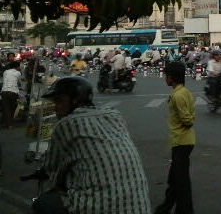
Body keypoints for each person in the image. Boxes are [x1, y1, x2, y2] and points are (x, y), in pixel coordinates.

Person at [34, 77, 151, 213]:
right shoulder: (114, 115)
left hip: (98, 207)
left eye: (59, 101)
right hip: (139, 207)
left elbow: (52, 167)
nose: (56, 107)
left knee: (43, 203)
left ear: (75, 100)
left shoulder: (66, 124)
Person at [154, 62, 195, 214]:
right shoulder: (185, 92)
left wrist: (187, 122)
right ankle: (164, 208)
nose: (165, 78)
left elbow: (187, 119)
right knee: (174, 179)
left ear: (171, 77)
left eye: (166, 75)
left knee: (181, 182)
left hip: (181, 142)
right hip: (183, 141)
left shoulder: (177, 96)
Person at [1, 61, 21, 128]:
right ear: (17, 67)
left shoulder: (5, 72)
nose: (19, 67)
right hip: (13, 92)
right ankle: (9, 124)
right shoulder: (18, 73)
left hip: (4, 91)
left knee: (6, 108)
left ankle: (6, 123)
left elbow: (4, 80)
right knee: (12, 107)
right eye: (19, 66)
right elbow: (18, 82)